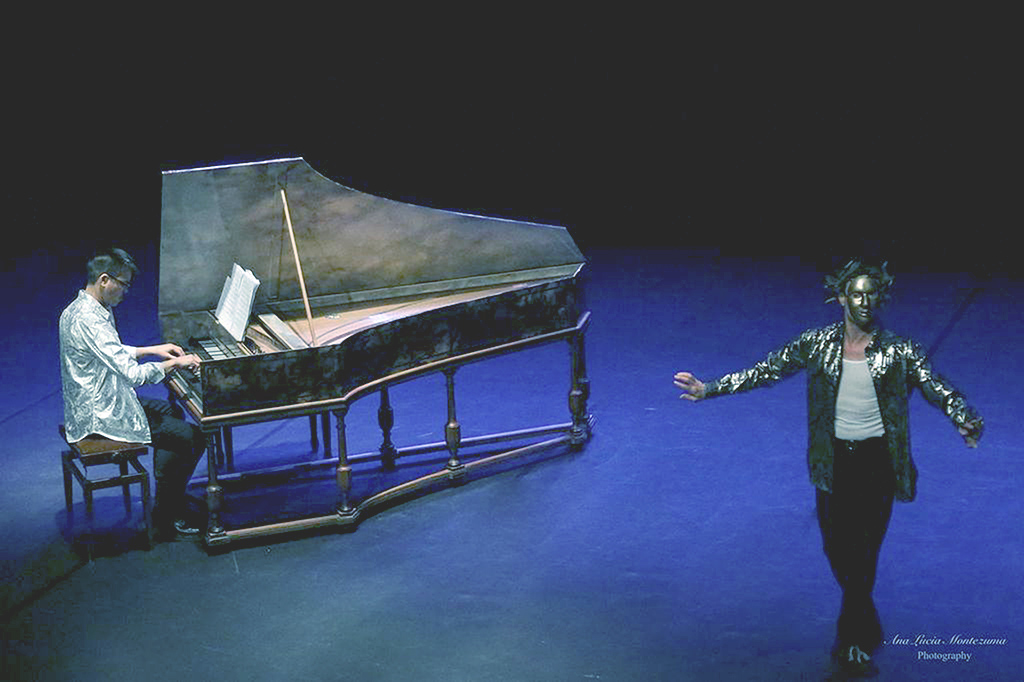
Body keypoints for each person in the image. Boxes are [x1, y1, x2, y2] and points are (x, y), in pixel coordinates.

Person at [673, 259, 983, 677]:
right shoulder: (816, 343)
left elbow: (935, 386)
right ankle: (865, 618)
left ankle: (852, 639)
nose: (865, 301)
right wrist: (709, 388)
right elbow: (766, 370)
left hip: (878, 464)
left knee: (865, 553)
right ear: (840, 298)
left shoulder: (900, 349)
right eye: (856, 293)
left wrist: (962, 416)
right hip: (833, 461)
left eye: (872, 293)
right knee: (836, 549)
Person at [59, 248, 206, 540]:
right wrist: (175, 363)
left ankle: (168, 501)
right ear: (104, 279)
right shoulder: (89, 319)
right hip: (99, 416)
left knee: (172, 413)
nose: (126, 291)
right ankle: (166, 518)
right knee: (194, 437)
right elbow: (133, 375)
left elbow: (108, 351)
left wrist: (150, 349)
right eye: (123, 284)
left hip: (101, 400)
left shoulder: (82, 307)